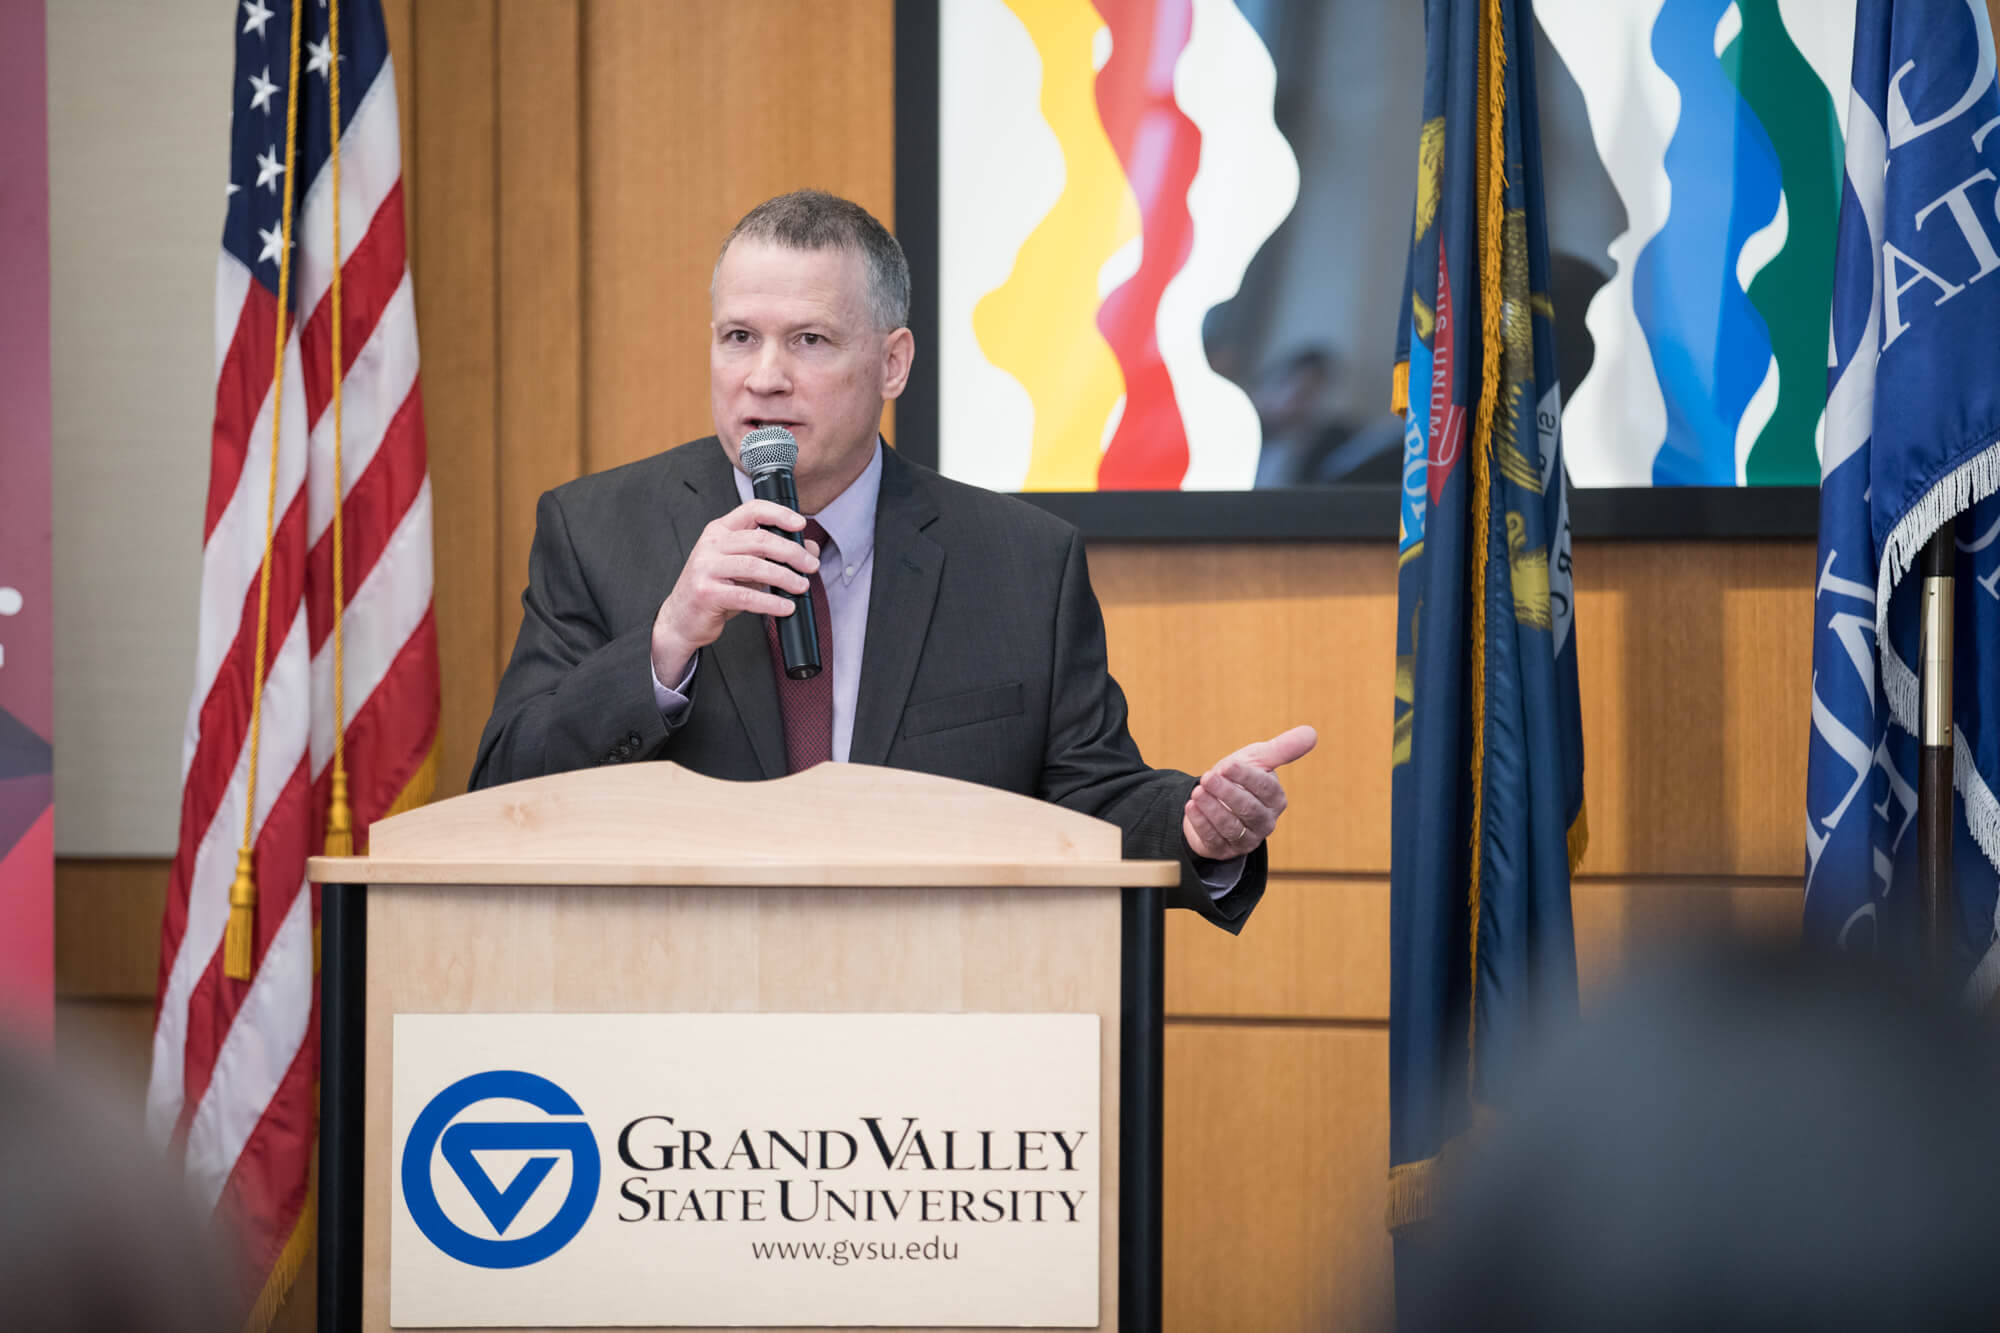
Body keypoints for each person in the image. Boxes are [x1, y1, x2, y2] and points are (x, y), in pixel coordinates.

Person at [470, 190, 1314, 931]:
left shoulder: (1021, 562)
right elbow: (503, 795)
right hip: (672, 1007)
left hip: (932, 1022)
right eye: (738, 337)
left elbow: (1090, 802)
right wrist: (665, 645)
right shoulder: (596, 530)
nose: (764, 376)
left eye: (809, 339)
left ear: (893, 362)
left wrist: (1198, 830)